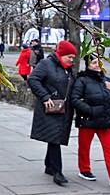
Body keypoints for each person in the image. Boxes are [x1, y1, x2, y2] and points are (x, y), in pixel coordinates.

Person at [71, 56, 110, 188]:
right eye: (94, 62)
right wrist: (91, 111)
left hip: (105, 121)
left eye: (99, 62)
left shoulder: (107, 80)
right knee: (84, 147)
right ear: (87, 65)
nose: (97, 65)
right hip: (88, 121)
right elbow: (74, 100)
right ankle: (84, 170)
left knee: (109, 148)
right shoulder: (82, 81)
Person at [27, 40, 77, 186]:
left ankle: (49, 165)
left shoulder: (67, 69)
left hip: (62, 109)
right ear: (60, 54)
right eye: (69, 56)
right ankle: (58, 172)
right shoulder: (46, 64)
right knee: (55, 139)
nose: (71, 59)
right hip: (50, 108)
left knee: (54, 137)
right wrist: (45, 96)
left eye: (73, 57)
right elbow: (33, 79)